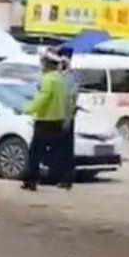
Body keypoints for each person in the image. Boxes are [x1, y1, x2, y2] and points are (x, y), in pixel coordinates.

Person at [21, 51, 69, 191]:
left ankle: (31, 180)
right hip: (58, 118)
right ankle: (62, 177)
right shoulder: (61, 79)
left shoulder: (47, 79)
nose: (41, 65)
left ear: (47, 64)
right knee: (56, 151)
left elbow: (43, 98)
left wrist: (28, 109)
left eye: (42, 62)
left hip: (45, 119)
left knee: (35, 152)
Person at [56, 46, 78, 189]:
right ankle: (60, 176)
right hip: (58, 115)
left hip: (66, 116)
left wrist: (67, 119)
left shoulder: (70, 76)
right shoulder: (60, 74)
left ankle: (67, 178)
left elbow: (71, 97)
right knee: (59, 149)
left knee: (66, 149)